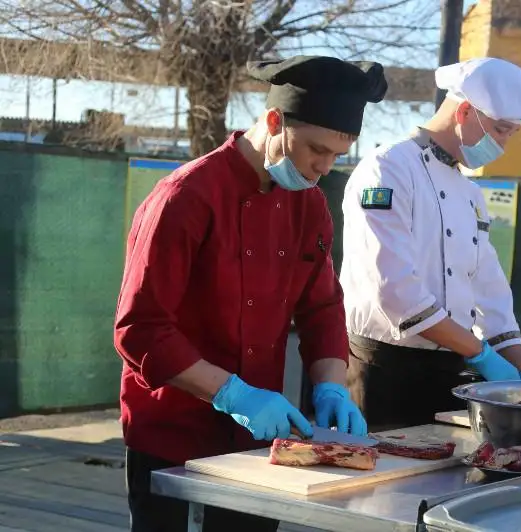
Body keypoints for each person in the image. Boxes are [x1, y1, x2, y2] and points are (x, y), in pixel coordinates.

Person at [113, 55, 387, 532]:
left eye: (338, 155)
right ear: (275, 121)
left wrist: (330, 384)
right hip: (172, 431)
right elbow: (140, 330)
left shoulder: (310, 205)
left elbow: (322, 306)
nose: (324, 167)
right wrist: (233, 394)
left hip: (259, 441)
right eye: (315, 149)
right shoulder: (185, 197)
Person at [339, 57, 521, 431]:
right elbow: (394, 291)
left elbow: (488, 290)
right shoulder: (387, 169)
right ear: (463, 112)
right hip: (384, 373)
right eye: (501, 130)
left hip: (449, 371)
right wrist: (482, 355)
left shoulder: (470, 192)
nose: (504, 144)